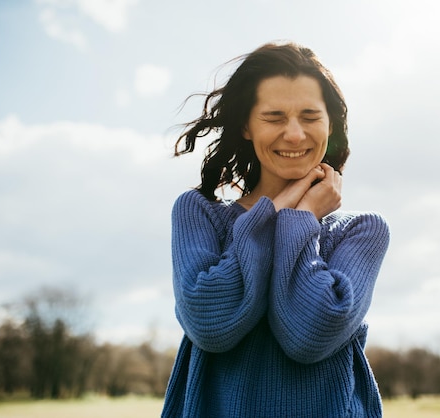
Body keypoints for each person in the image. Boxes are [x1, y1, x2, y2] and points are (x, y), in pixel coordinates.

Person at [161, 41, 390, 418]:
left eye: (310, 116)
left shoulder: (362, 231)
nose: (296, 134)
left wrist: (297, 221)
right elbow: (210, 325)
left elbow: (309, 337)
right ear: (246, 127)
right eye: (274, 117)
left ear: (329, 125)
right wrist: (273, 215)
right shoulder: (198, 213)